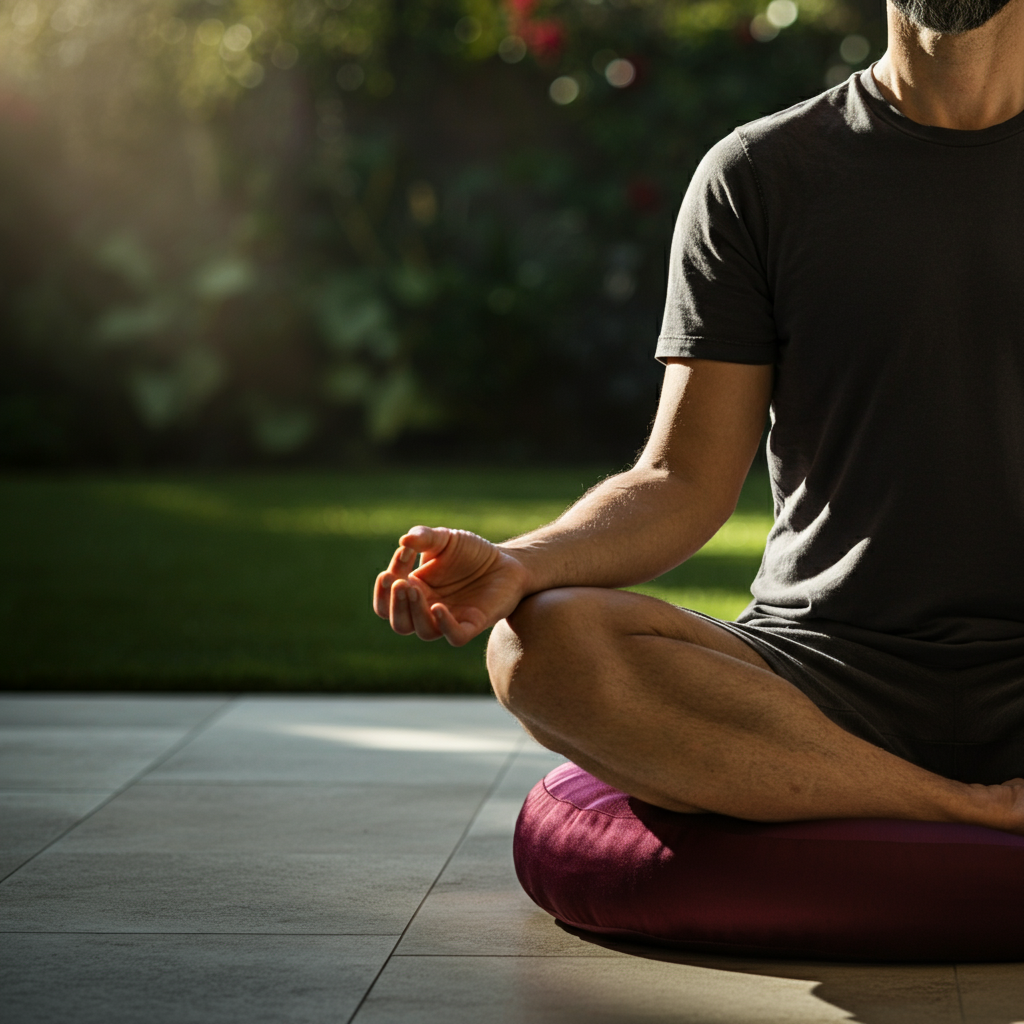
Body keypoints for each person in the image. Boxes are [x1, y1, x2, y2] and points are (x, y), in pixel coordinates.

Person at [374, 0, 1024, 834]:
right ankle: (970, 810)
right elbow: (682, 479)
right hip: (825, 670)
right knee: (540, 645)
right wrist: (518, 562)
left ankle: (845, 794)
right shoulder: (760, 174)